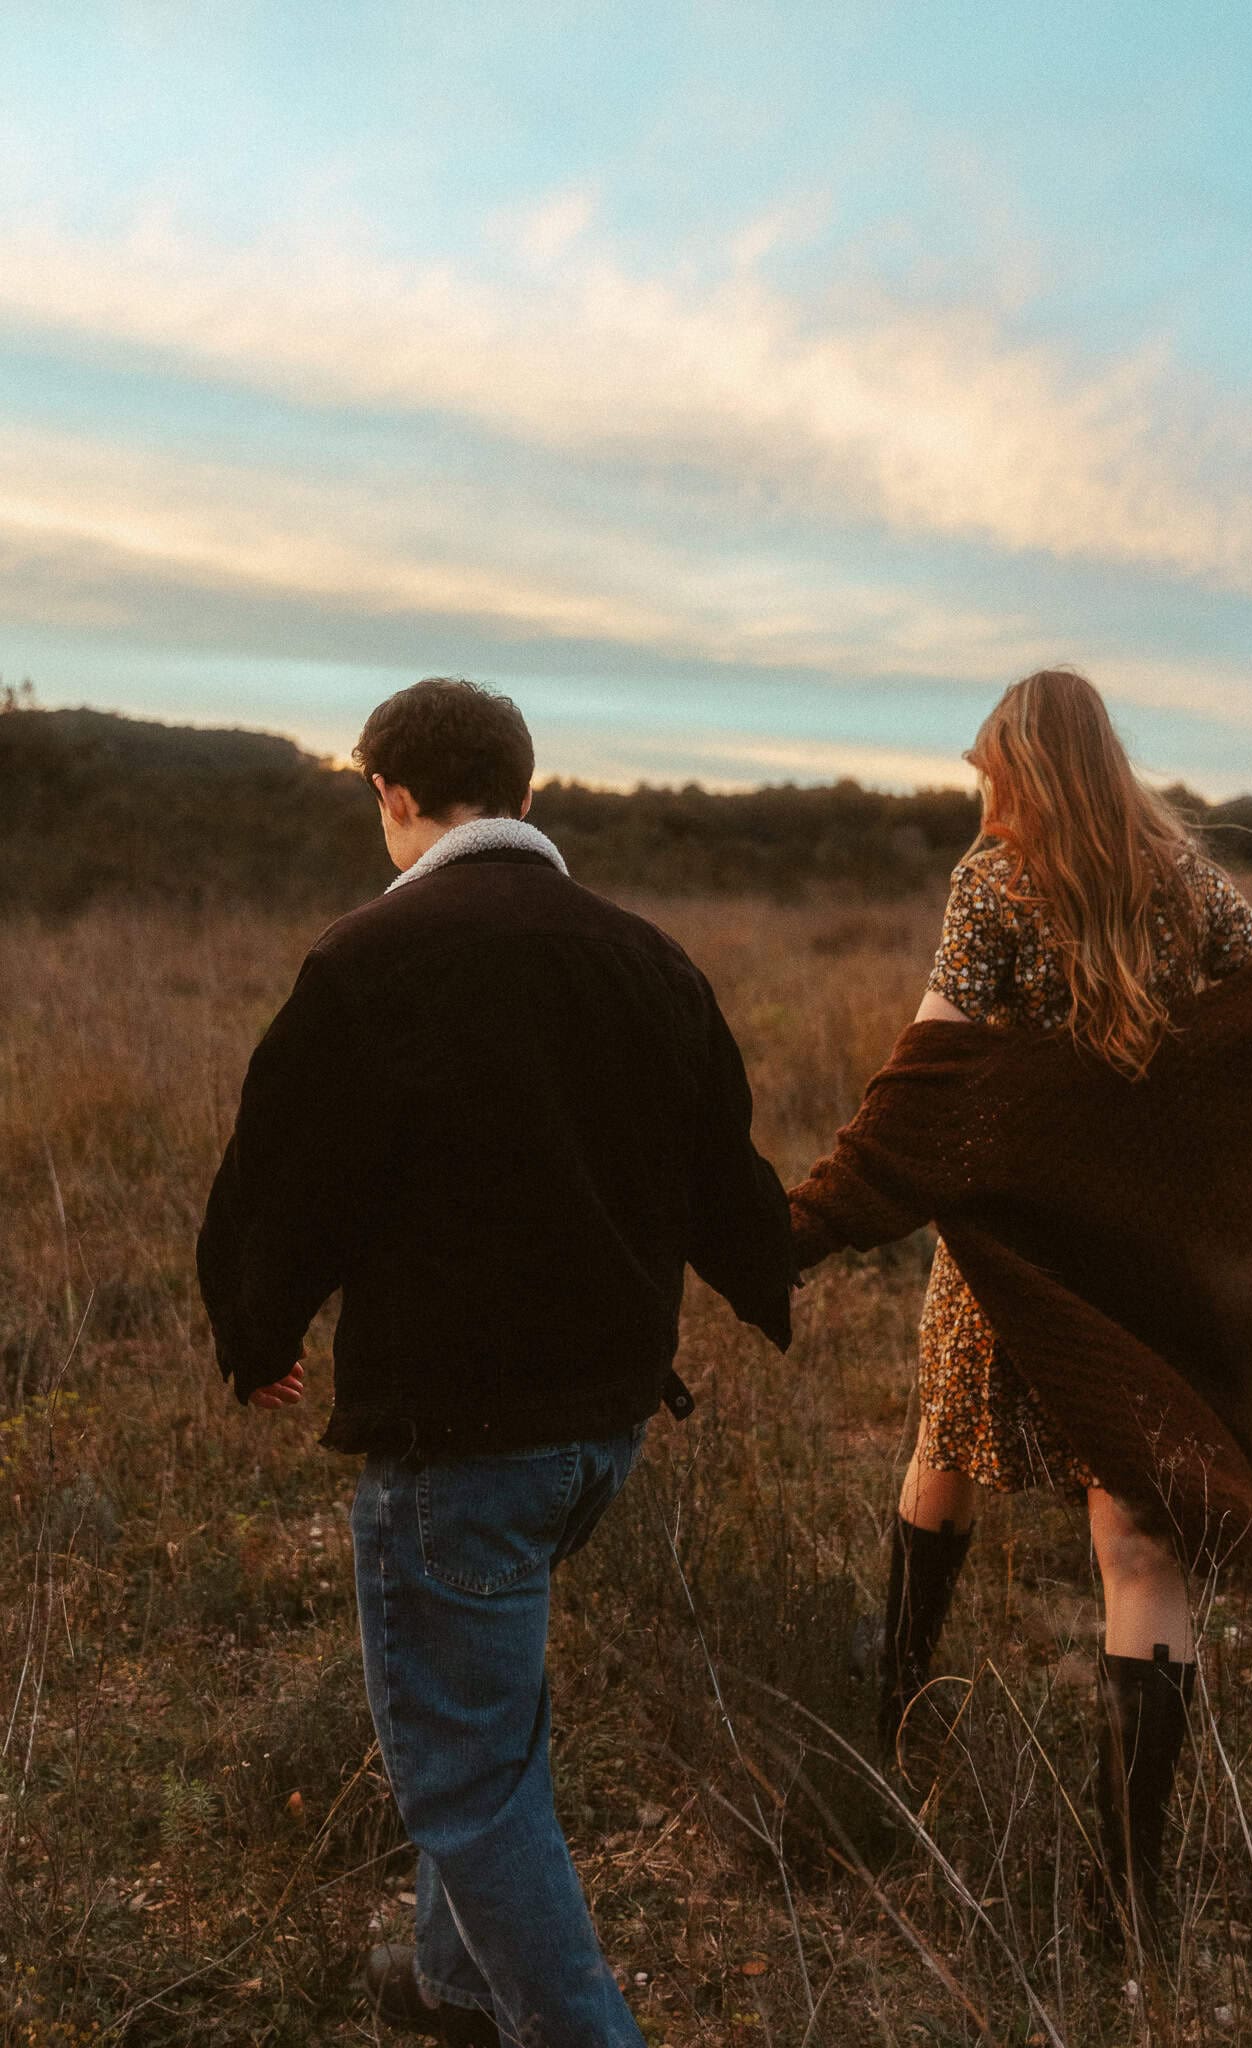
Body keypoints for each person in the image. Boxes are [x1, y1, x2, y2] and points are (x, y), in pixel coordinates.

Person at [197, 677, 795, 2048]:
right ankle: (451, 1983)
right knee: (483, 1712)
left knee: (466, 1777)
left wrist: (258, 1334)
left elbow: (283, 1184)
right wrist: (768, 1278)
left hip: (462, 1439)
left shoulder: (371, 962)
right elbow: (725, 1178)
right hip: (600, 1433)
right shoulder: (649, 958)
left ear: (393, 798)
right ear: (528, 794)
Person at [787, 668, 1252, 1940]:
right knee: (1139, 1536)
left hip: (1018, 1257)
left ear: (1023, 769)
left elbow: (931, 1059)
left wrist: (813, 1212)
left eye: (990, 768)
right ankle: (1133, 1889)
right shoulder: (1184, 879)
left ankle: (894, 1715)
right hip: (1151, 1263)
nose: (983, 792)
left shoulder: (991, 883)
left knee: (943, 1447)